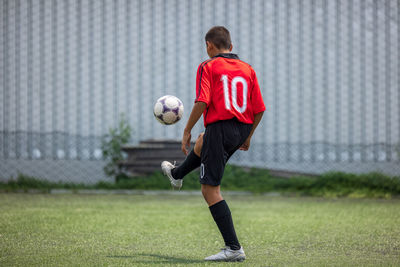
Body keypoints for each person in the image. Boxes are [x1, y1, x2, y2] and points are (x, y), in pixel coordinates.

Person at [161, 26, 265, 262]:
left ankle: (233, 248)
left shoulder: (207, 66)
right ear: (231, 46)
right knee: (202, 141)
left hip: (220, 128)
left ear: (209, 45)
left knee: (209, 189)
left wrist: (186, 129)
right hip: (240, 128)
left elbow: (202, 101)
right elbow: (259, 109)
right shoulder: (248, 69)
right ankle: (177, 174)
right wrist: (247, 136)